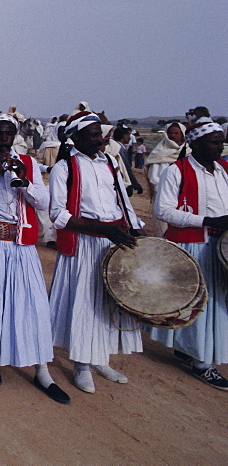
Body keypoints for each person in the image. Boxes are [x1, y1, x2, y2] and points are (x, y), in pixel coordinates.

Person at [0, 114, 70, 403]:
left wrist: (25, 182)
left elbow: (43, 202)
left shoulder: (28, 164)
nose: (4, 138)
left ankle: (42, 368)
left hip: (21, 247)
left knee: (32, 305)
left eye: (9, 133)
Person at [49, 111, 144, 394]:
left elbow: (122, 201)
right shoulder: (64, 168)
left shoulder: (111, 164)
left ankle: (100, 358)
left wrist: (134, 228)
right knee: (85, 303)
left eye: (99, 133)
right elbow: (58, 215)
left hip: (111, 240)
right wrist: (102, 230)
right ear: (75, 137)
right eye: (92, 134)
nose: (99, 139)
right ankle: (81, 364)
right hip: (84, 243)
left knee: (108, 302)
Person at [151, 118, 228, 390]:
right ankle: (202, 363)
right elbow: (163, 211)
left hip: (220, 246)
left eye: (221, 141)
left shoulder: (224, 170)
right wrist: (207, 220)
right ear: (194, 143)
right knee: (200, 305)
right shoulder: (177, 170)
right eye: (214, 141)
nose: (220, 146)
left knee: (215, 304)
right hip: (194, 244)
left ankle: (191, 348)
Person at [145, 122, 186, 200]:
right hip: (164, 195)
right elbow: (154, 178)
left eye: (176, 133)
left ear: (182, 135)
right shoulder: (159, 152)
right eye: (170, 133)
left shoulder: (189, 152)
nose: (172, 136)